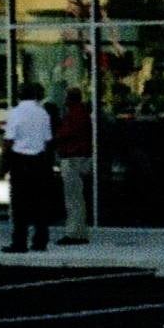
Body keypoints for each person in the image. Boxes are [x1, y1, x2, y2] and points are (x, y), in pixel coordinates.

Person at [1, 84, 57, 254]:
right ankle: (40, 240)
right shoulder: (42, 113)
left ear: (19, 95)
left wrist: (4, 162)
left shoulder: (15, 112)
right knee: (39, 202)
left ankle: (20, 242)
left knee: (19, 204)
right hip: (39, 160)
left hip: (20, 160)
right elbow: (48, 139)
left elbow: (9, 139)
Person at [53, 84, 95, 245]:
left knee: (73, 198)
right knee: (76, 197)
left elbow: (65, 134)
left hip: (73, 158)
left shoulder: (75, 115)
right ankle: (79, 231)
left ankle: (74, 233)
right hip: (78, 157)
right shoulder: (81, 113)